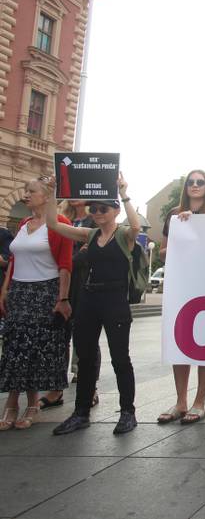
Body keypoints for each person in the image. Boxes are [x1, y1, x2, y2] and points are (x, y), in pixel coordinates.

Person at [45, 173, 141, 435]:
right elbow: (53, 224)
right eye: (93, 209)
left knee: (121, 358)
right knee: (85, 357)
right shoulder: (89, 235)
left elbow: (136, 228)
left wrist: (124, 193)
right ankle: (81, 413)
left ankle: (128, 412)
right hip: (89, 299)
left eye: (103, 208)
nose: (97, 212)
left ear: (115, 211)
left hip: (115, 300)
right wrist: (55, 192)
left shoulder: (123, 235)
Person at [0, 178, 73, 430]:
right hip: (20, 291)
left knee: (33, 349)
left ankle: (31, 404)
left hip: (44, 292)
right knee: (14, 347)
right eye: (26, 190)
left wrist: (62, 298)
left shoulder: (60, 224)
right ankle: (12, 401)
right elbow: (13, 259)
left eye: (31, 191)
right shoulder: (23, 224)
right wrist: (5, 289)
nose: (26, 195)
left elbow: (65, 265)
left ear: (46, 195)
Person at [156, 170, 205, 425]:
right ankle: (181, 401)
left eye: (201, 182)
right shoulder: (174, 214)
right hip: (181, 286)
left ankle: (200, 401)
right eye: (191, 182)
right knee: (181, 341)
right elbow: (162, 252)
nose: (195, 186)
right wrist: (182, 234)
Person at [39, 200, 100, 410]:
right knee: (59, 338)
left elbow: (90, 255)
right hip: (59, 283)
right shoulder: (61, 217)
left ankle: (90, 388)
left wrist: (69, 259)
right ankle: (56, 388)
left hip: (84, 285)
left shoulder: (98, 215)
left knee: (86, 339)